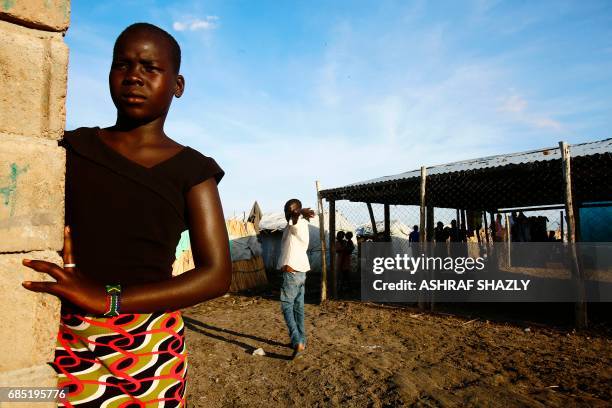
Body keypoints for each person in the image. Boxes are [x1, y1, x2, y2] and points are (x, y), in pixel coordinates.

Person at [20, 23, 231, 407]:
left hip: (150, 353)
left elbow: (216, 275)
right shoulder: (70, 148)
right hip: (66, 334)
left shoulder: (194, 171)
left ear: (177, 85)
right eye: (123, 65)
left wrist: (109, 299)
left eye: (150, 68)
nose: (134, 76)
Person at [277, 199, 314, 359]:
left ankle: (297, 339)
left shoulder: (297, 223)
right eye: (286, 210)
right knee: (298, 307)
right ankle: (302, 340)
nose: (287, 213)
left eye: (290, 210)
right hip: (300, 272)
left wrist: (297, 213)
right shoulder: (299, 224)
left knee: (286, 306)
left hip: (292, 272)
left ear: (297, 211)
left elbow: (294, 222)